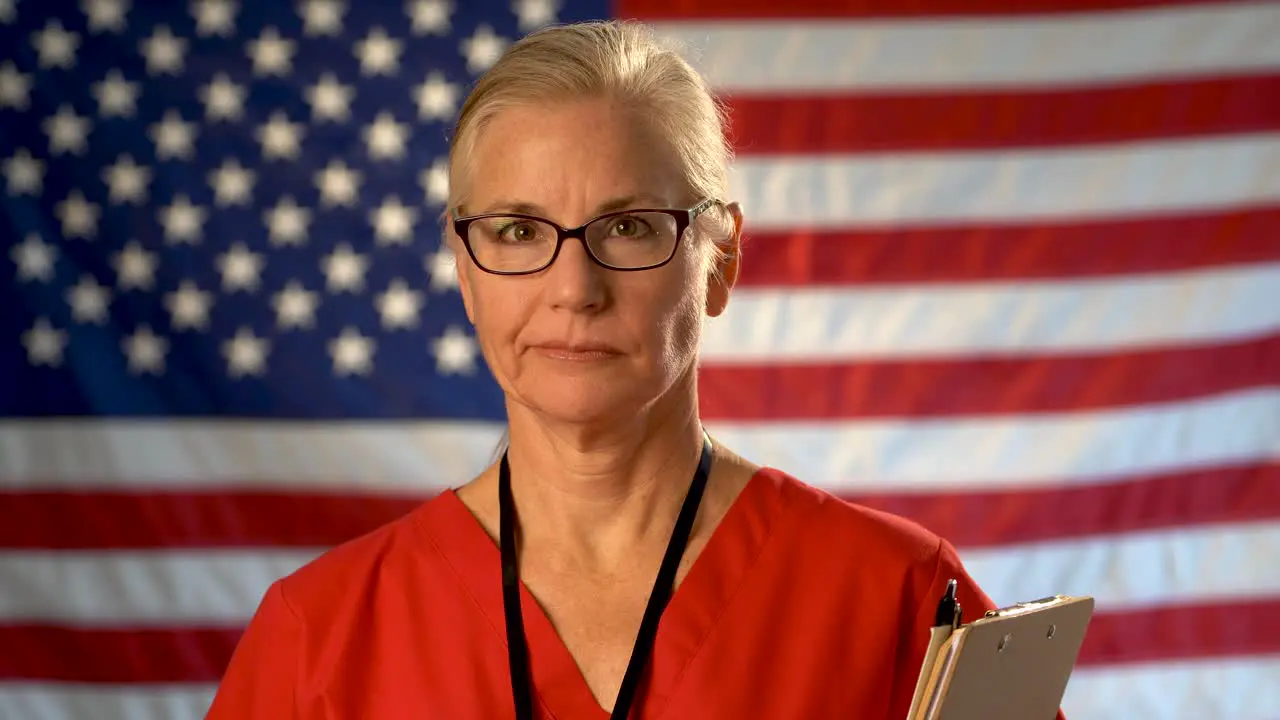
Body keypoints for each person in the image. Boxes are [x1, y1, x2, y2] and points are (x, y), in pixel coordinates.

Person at [207, 19, 1065, 720]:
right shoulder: (317, 639)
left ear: (719, 259)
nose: (573, 289)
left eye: (628, 227)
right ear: (465, 272)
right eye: (516, 230)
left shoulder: (903, 603)